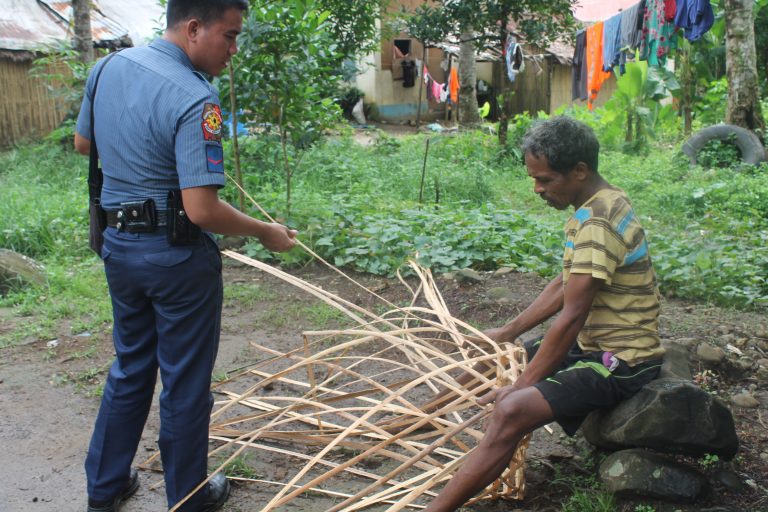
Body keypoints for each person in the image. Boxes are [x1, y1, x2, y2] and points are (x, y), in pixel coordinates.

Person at [73, 1, 298, 511]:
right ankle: (188, 499)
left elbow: (84, 143)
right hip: (175, 258)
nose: (234, 51)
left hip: (119, 249)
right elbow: (200, 210)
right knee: (185, 383)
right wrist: (264, 231)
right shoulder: (196, 98)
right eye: (230, 35)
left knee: (131, 366)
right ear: (194, 28)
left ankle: (104, 489)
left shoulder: (106, 68)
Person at [423, 117, 665, 511]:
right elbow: (566, 282)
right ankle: (416, 419)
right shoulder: (596, 204)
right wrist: (508, 331)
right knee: (500, 354)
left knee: (512, 409)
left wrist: (519, 387)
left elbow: (571, 316)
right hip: (594, 346)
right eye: (533, 179)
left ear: (580, 171)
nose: (537, 189)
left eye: (546, 180)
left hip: (622, 361)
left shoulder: (598, 221)